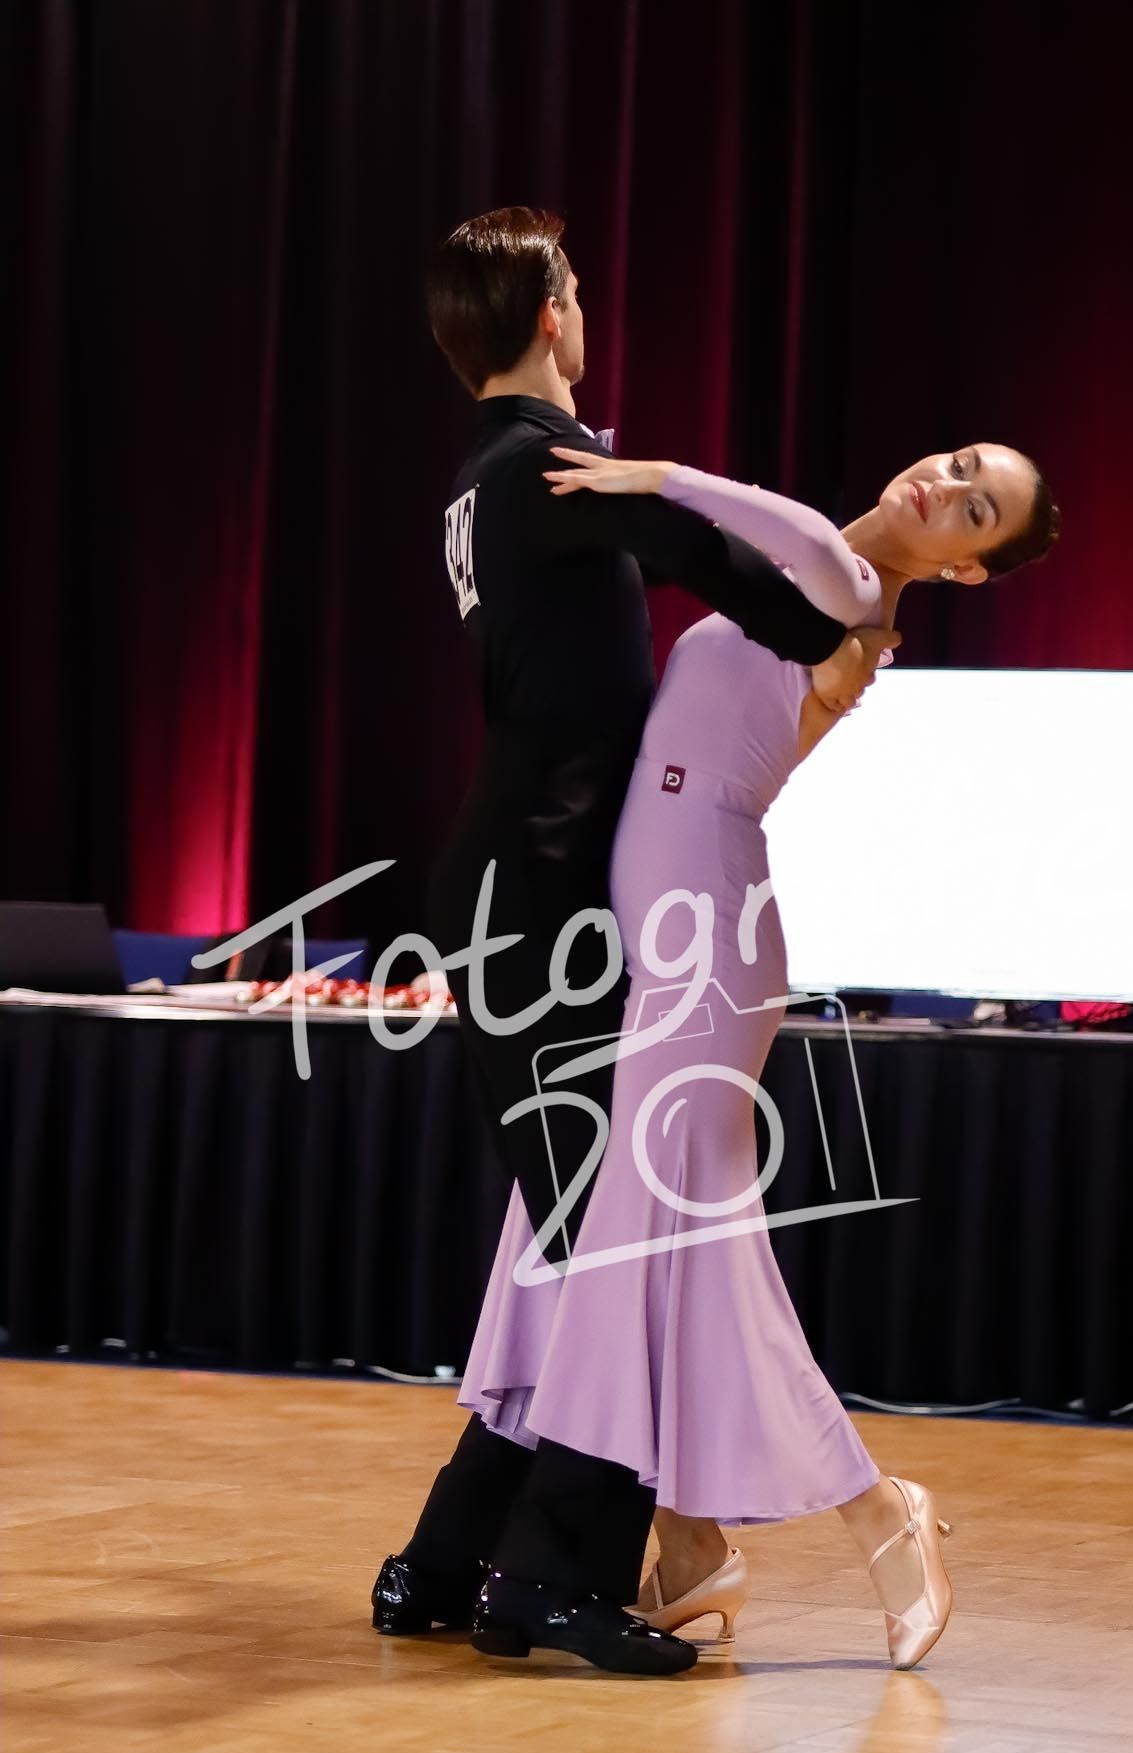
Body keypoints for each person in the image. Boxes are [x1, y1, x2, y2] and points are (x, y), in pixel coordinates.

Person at [371, 207, 889, 1677]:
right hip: (534, 900)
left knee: (574, 1233)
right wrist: (831, 632)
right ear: (550, 314)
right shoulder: (542, 463)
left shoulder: (484, 475)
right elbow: (696, 551)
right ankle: (553, 1578)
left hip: (515, 888)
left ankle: (446, 1564)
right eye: (579, 290)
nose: (588, 310)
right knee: (619, 1240)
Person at [458, 438, 1060, 1670]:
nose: (943, 486)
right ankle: (689, 1544)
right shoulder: (794, 587)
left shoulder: (854, 599)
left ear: (968, 569)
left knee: (683, 1248)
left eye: (974, 508)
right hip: (655, 930)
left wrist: (661, 479)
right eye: (958, 464)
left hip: (709, 935)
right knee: (642, 1243)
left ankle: (880, 1512)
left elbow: (806, 538)